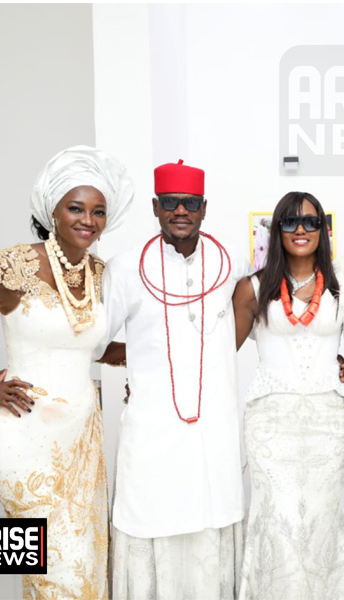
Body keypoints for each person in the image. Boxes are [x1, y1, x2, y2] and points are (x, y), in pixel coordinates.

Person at [0, 145, 134, 598]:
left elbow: (87, 344)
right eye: (76, 208)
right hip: (22, 437)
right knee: (55, 567)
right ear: (53, 210)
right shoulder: (13, 265)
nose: (88, 220)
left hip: (81, 439)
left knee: (71, 561)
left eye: (98, 211)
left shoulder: (102, 274)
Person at [99, 159, 247, 599]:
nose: (180, 211)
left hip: (211, 427)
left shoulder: (231, 261)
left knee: (209, 514)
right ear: (155, 207)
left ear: (204, 208)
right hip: (152, 428)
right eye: (170, 203)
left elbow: (272, 307)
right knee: (151, 512)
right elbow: (95, 343)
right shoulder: (125, 269)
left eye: (189, 203)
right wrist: (142, 359)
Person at [232, 191, 344, 600]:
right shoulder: (252, 288)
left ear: (324, 230)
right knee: (277, 515)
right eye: (289, 222)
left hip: (328, 417)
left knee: (324, 515)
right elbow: (216, 354)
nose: (300, 230)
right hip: (271, 418)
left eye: (310, 222)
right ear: (276, 230)